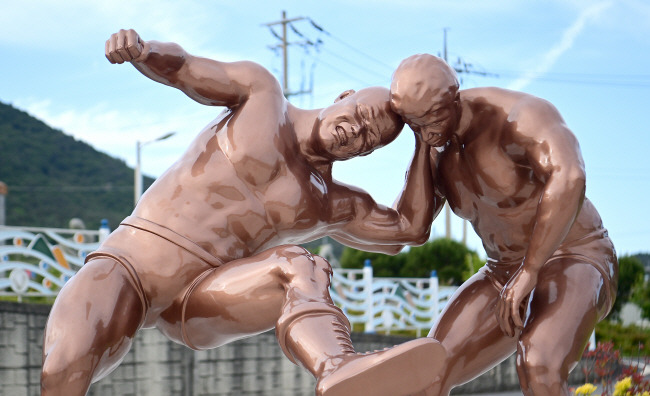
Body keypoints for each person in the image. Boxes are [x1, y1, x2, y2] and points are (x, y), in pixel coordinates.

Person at [41, 30, 446, 396]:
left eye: (368, 141)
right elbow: (184, 67)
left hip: (200, 299)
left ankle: (338, 367)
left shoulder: (328, 201)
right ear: (344, 96)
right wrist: (144, 50)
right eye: (360, 115)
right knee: (65, 367)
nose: (356, 132)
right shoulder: (261, 95)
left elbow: (407, 229)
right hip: (132, 264)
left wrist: (428, 143)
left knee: (297, 265)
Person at [389, 54, 618, 396]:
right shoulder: (434, 147)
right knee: (430, 367)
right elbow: (409, 227)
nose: (428, 130)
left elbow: (570, 175)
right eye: (415, 123)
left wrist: (531, 268)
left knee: (538, 361)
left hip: (573, 254)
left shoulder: (517, 115)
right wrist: (422, 146)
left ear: (455, 97)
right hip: (502, 271)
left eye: (433, 118)